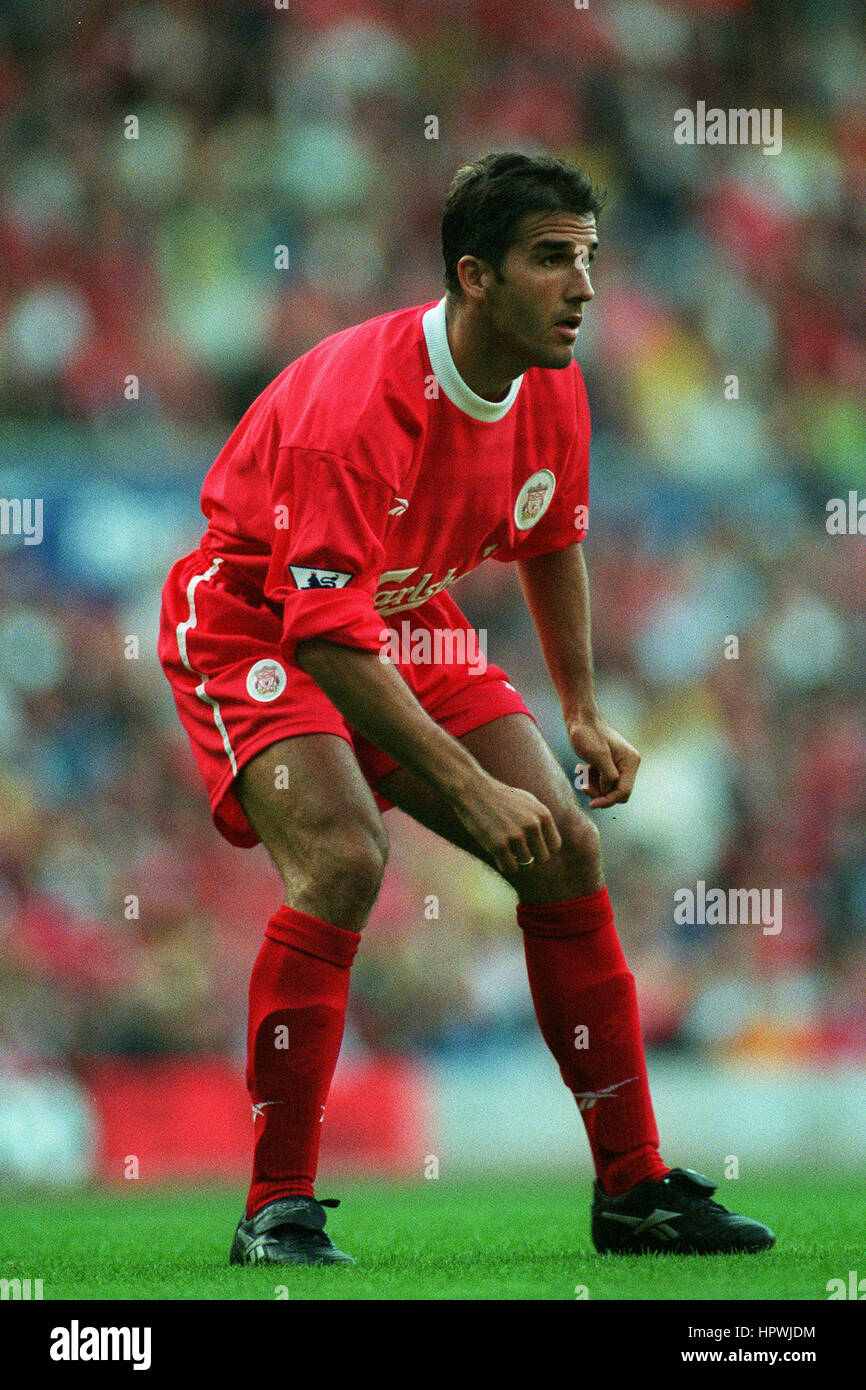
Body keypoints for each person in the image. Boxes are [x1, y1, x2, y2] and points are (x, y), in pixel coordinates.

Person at [158, 152, 774, 1264]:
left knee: (565, 851)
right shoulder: (357, 408)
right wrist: (465, 787)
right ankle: (273, 1210)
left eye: (587, 257)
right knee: (344, 858)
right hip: (256, 616)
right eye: (551, 259)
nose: (582, 285)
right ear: (474, 276)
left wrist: (579, 710)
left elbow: (549, 534)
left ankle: (631, 1190)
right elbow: (323, 634)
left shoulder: (554, 379)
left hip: (396, 609)